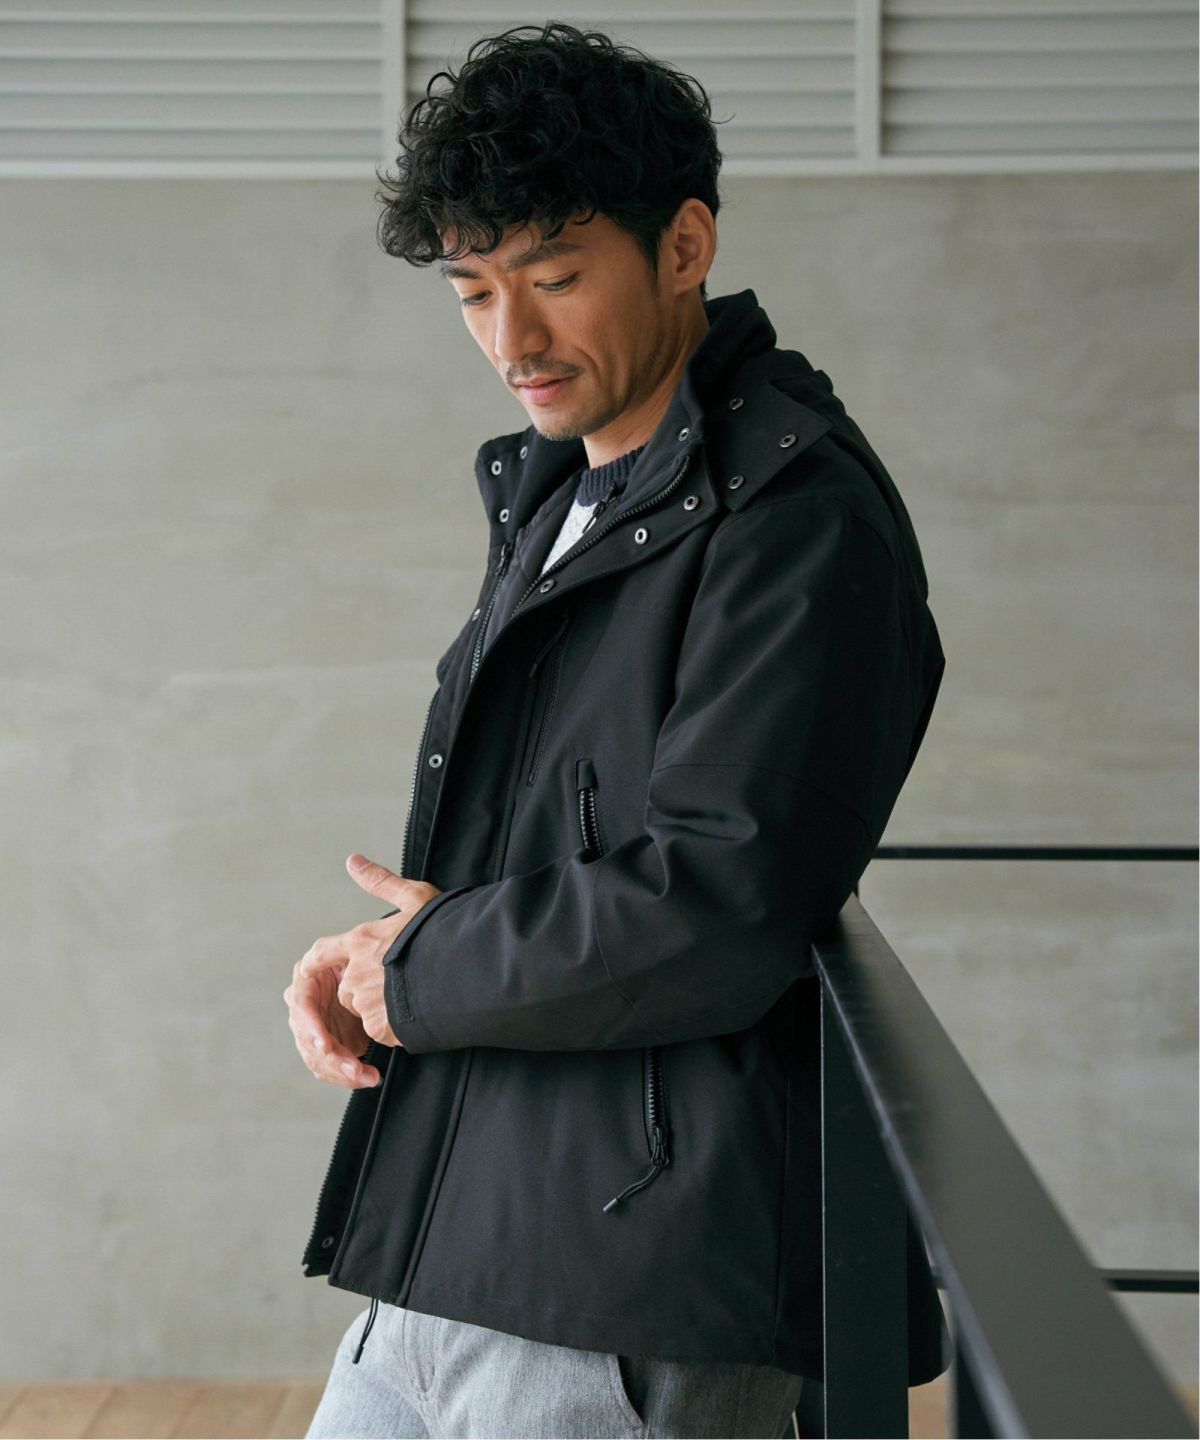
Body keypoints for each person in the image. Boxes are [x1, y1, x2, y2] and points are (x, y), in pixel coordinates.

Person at [283, 21, 950, 1439]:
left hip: (626, 1293)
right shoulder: (558, 498)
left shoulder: (794, 521)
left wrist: (423, 969)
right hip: (451, 1245)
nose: (511, 341)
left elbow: (719, 900)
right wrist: (380, 958)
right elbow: (548, 858)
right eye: (473, 292)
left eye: (555, 278)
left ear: (685, 245)